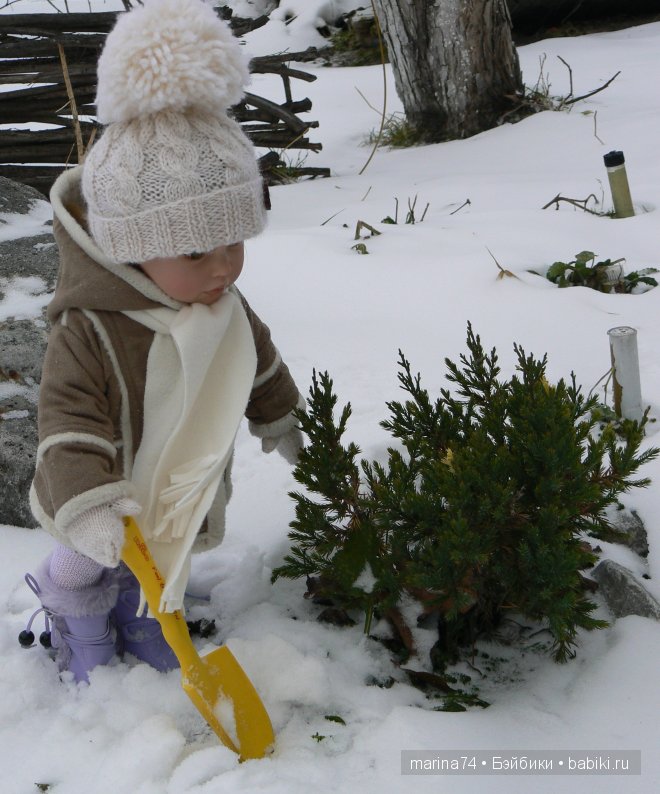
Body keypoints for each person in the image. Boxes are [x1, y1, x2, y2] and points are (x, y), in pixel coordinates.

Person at [20, 0, 303, 683]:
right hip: (101, 489)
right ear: (135, 250)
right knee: (91, 557)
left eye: (234, 242)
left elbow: (256, 359)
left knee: (158, 551)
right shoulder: (90, 326)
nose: (223, 267)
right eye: (197, 250)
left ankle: (146, 609)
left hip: (170, 483)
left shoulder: (220, 301)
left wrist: (281, 416)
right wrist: (89, 502)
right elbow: (67, 418)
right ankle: (71, 607)